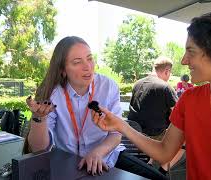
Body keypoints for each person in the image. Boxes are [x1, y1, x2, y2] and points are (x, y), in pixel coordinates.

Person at [91, 10, 211, 180]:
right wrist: (120, 125)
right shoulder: (190, 99)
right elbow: (164, 153)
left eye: (190, 51)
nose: (184, 60)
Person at [25, 36, 167, 179]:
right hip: (68, 163)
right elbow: (39, 149)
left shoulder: (108, 87)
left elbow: (115, 134)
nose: (87, 66)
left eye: (89, 58)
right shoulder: (53, 94)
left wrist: (97, 152)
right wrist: (39, 118)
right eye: (77, 62)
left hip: (108, 157)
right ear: (63, 70)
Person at [127, 56, 179, 174]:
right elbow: (179, 114)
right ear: (167, 71)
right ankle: (161, 170)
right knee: (183, 139)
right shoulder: (165, 87)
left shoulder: (137, 84)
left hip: (134, 132)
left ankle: (149, 164)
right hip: (155, 136)